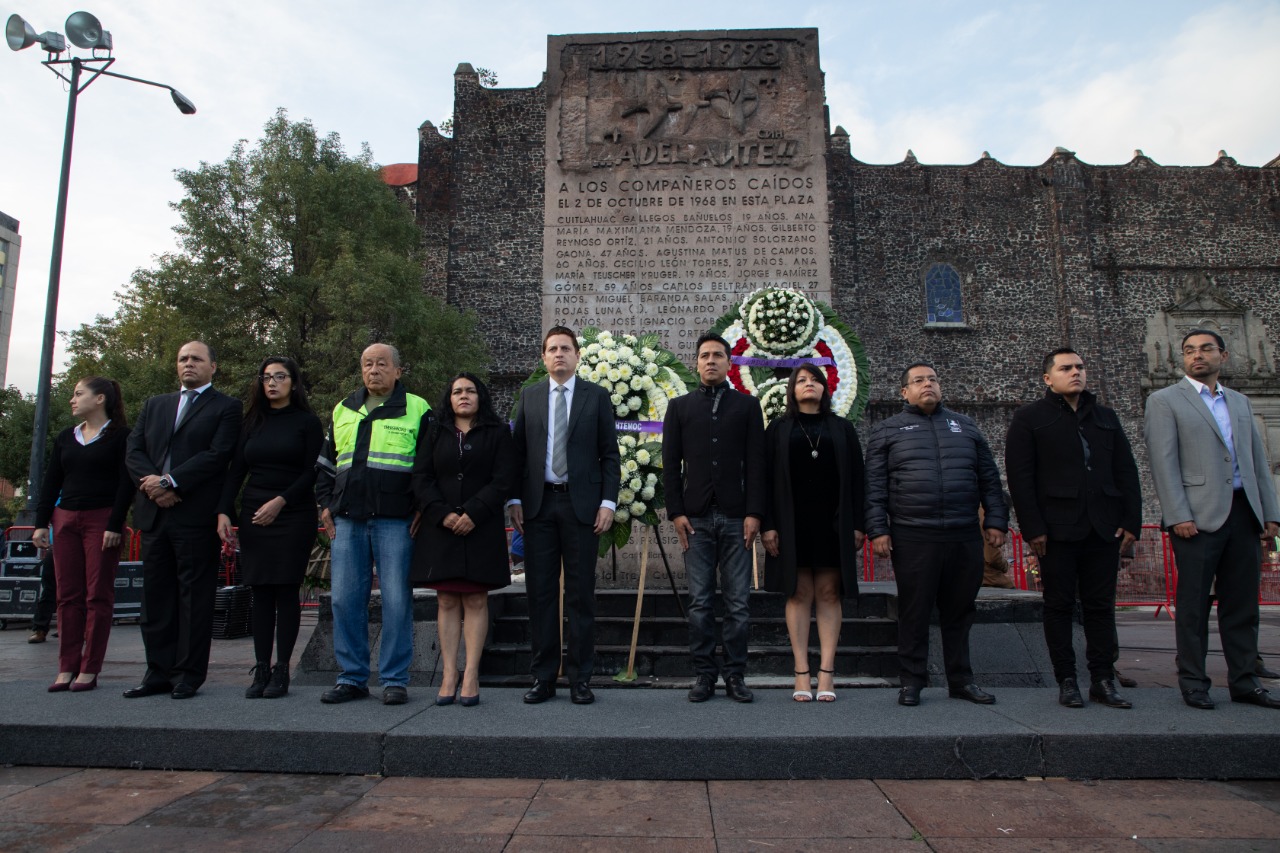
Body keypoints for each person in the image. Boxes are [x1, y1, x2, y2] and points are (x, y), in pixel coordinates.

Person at [1144, 329, 1280, 710]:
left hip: (1244, 512)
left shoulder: (1238, 402)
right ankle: (1193, 681)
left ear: (1223, 355)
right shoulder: (1165, 401)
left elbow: (1256, 461)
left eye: (1205, 349)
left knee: (1242, 605)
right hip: (1197, 518)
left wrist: (1270, 513)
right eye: (1189, 351)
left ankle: (1245, 681)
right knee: (1193, 605)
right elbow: (1163, 462)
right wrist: (1177, 514)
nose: (1196, 356)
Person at [1005, 348, 1142, 709]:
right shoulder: (1030, 418)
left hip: (1103, 528)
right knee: (1059, 605)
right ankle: (1067, 679)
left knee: (1100, 606)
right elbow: (1021, 478)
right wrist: (1033, 528)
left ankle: (1102, 677)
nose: (1076, 373)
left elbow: (1126, 470)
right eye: (1066, 368)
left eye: (1080, 367)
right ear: (1048, 378)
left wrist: (1131, 521)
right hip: (1056, 529)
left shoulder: (1106, 417)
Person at [865, 362, 1007, 707]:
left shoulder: (966, 426)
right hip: (914, 536)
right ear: (904, 392)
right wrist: (878, 530)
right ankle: (911, 681)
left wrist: (996, 521)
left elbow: (989, 478)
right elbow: (874, 487)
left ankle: (961, 680)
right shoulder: (888, 430)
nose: (927, 384)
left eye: (932, 379)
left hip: (963, 535)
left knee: (960, 610)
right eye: (918, 381)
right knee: (914, 611)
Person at [124, 342, 242, 699]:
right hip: (155, 514)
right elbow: (134, 450)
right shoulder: (155, 404)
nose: (188, 364)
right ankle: (157, 672)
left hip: (193, 513)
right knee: (155, 598)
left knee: (194, 598)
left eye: (196, 359)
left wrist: (171, 481)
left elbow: (218, 455)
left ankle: (188, 674)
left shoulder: (227, 407)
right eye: (183, 359)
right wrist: (155, 486)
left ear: (213, 366)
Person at [316, 343, 431, 706]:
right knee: (345, 601)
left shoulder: (417, 408)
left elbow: (428, 467)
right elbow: (325, 463)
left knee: (397, 601)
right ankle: (352, 677)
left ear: (398, 371)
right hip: (347, 519)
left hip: (395, 520)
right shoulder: (343, 408)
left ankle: (395, 679)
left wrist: (422, 507)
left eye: (382, 364)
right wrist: (324, 504)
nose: (374, 370)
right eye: (367, 364)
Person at [510, 326, 619, 705]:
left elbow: (610, 455)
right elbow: (517, 454)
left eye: (566, 349)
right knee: (539, 594)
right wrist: (513, 500)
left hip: (582, 509)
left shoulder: (597, 397)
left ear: (577, 355)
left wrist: (608, 504)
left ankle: (580, 678)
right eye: (552, 349)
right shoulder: (530, 397)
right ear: (543, 357)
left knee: (580, 596)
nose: (559, 354)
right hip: (538, 509)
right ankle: (542, 677)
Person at [663, 332, 766, 703]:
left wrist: (755, 512)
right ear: (696, 363)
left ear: (729, 363)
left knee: (738, 602)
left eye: (718, 355)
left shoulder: (747, 406)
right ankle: (705, 674)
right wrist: (675, 512)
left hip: (738, 517)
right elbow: (670, 465)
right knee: (701, 601)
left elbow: (757, 463)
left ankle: (736, 674)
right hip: (696, 518)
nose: (710, 361)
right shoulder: (680, 407)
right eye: (704, 355)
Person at [217, 357, 324, 700]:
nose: (273, 383)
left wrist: (280, 501)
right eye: (267, 377)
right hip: (253, 514)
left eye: (280, 376)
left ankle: (282, 670)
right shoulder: (251, 422)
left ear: (294, 382)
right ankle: (261, 667)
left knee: (285, 590)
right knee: (260, 590)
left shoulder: (307, 422)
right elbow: (236, 471)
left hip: (293, 513)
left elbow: (312, 472)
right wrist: (224, 511)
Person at [761, 364, 865, 702]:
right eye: (802, 380)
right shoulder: (778, 428)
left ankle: (827, 672)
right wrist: (768, 524)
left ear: (825, 388)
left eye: (815, 380)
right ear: (791, 390)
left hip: (832, 521)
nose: (809, 385)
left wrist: (859, 523)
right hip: (792, 522)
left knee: (829, 592)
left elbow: (858, 478)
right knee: (798, 592)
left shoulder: (842, 428)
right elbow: (765, 480)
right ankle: (802, 671)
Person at [411, 373, 515, 707]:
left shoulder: (497, 432)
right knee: (445, 600)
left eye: (470, 390)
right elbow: (421, 476)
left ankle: (470, 674)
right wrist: (441, 513)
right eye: (457, 391)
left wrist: (475, 511)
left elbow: (504, 478)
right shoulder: (435, 430)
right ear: (449, 398)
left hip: (480, 526)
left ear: (481, 396)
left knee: (475, 600)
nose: (464, 396)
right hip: (441, 527)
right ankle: (448, 674)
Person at [32, 377, 134, 692]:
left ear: (100, 398)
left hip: (101, 519)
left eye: (78, 394)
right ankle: (66, 667)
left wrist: (115, 525)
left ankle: (89, 668)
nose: (73, 400)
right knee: (67, 595)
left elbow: (126, 485)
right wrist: (40, 523)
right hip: (64, 520)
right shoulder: (66, 437)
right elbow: (51, 482)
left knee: (97, 595)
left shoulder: (122, 437)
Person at [29, 550, 55, 644]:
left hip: (84, 543)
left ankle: (81, 628)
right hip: (57, 545)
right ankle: (40, 629)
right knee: (48, 589)